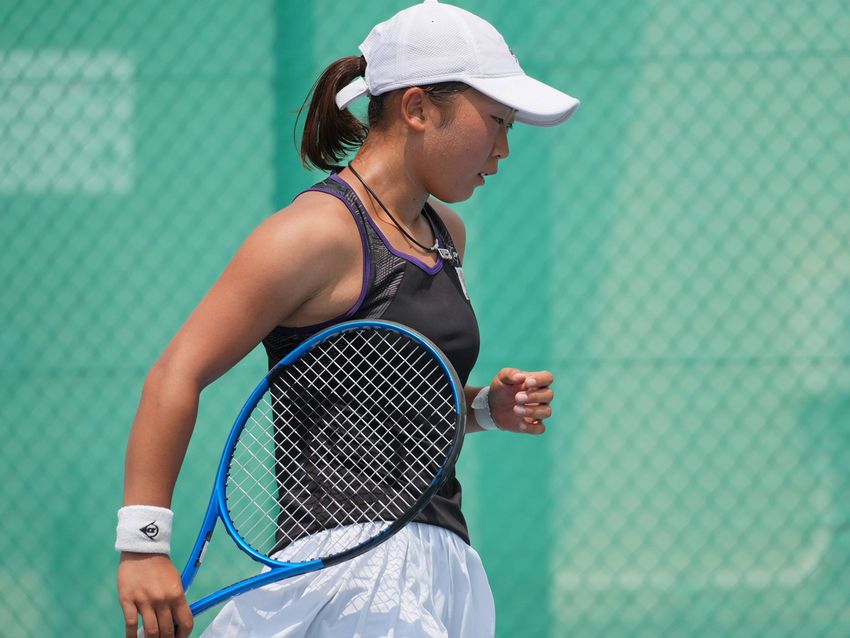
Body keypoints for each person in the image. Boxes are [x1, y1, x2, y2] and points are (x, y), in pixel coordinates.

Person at [116, 1, 579, 636]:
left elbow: (388, 403)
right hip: (349, 573)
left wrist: (483, 409)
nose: (503, 148)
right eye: (496, 121)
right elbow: (177, 372)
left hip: (444, 567)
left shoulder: (448, 234)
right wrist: (143, 546)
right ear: (417, 108)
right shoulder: (313, 234)